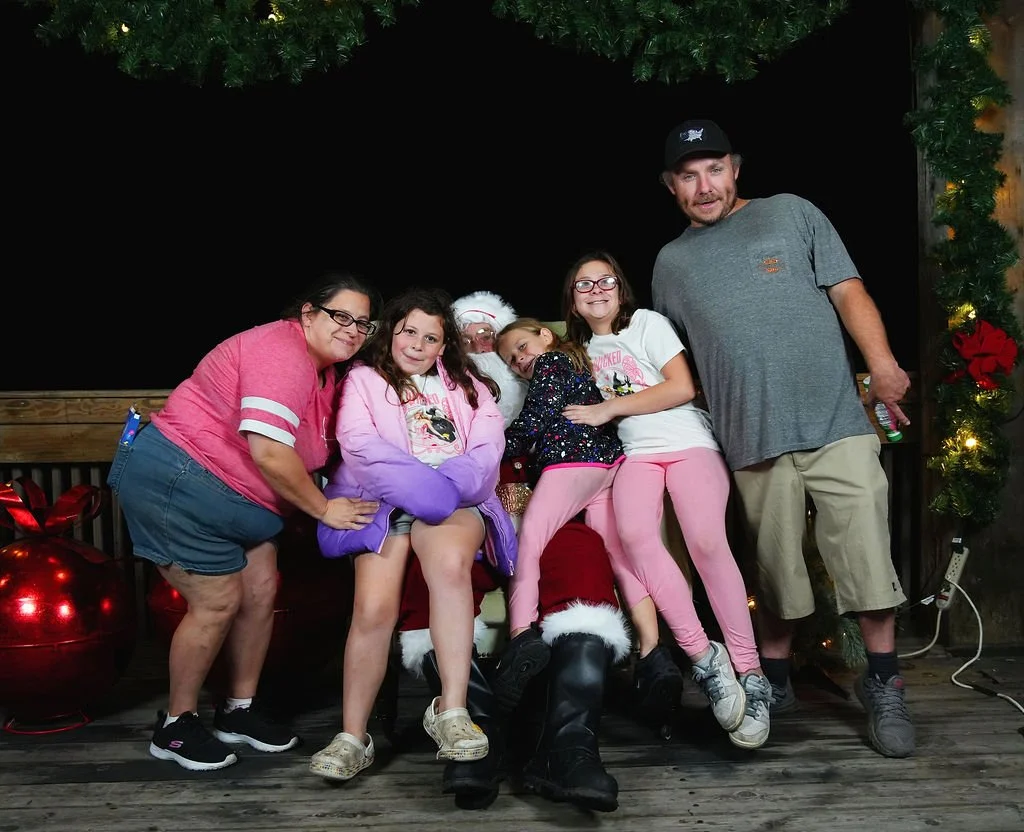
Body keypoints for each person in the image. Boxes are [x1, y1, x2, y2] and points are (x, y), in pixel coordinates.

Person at [651, 118, 915, 758]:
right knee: (773, 570)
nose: (704, 186)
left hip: (835, 420)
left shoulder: (791, 213)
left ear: (736, 169)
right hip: (748, 438)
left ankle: (883, 683)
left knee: (866, 557)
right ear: (670, 186)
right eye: (688, 176)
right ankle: (773, 681)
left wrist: (881, 365)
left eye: (715, 170)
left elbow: (848, 291)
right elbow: (671, 361)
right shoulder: (670, 264)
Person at [105, 270, 381, 771]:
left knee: (260, 590)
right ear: (308, 313)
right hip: (181, 480)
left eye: (363, 323)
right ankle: (175, 726)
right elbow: (270, 451)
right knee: (218, 601)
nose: (352, 330)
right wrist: (325, 509)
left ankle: (238, 711)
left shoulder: (328, 374)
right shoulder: (281, 350)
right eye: (341, 316)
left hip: (245, 506)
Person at [400, 289, 631, 813]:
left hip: (548, 501)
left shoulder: (550, 385)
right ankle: (478, 736)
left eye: (493, 340)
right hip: (471, 512)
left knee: (582, 558)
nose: (483, 348)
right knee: (427, 575)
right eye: (470, 340)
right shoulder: (434, 402)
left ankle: (569, 747)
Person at [561, 249, 772, 749]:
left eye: (605, 281)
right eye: (584, 284)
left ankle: (751, 673)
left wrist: (609, 408)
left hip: (688, 443)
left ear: (620, 288)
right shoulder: (579, 353)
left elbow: (681, 387)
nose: (596, 290)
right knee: (634, 536)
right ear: (572, 300)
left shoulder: (647, 324)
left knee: (706, 542)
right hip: (637, 454)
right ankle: (705, 657)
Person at [309, 286, 518, 782]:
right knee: (372, 608)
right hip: (385, 499)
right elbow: (360, 445)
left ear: (444, 345)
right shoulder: (363, 380)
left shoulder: (469, 386)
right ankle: (352, 736)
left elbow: (487, 449)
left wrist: (444, 490)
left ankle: (451, 710)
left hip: (455, 498)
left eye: (431, 337)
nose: (417, 345)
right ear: (390, 333)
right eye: (408, 332)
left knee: (449, 568)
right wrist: (421, 489)